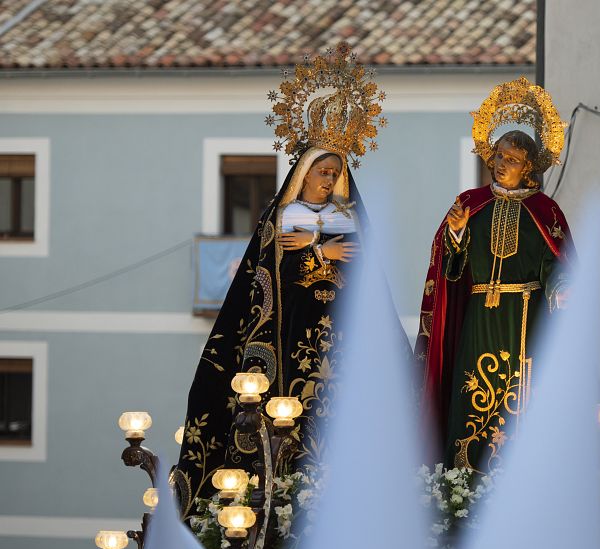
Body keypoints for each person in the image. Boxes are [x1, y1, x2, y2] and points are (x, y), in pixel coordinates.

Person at [172, 45, 388, 518]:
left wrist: (324, 251)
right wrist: (323, 251)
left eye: (335, 172)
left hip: (338, 332)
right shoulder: (286, 214)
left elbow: (361, 268)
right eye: (321, 171)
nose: (328, 179)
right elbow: (278, 268)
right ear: (303, 172)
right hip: (288, 335)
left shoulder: (346, 215)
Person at [415, 77, 574, 473]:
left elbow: (559, 264)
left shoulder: (546, 211)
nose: (502, 164)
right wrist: (454, 233)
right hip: (478, 320)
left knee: (520, 403)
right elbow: (450, 268)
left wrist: (563, 289)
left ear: (530, 168)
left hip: (526, 319)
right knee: (471, 394)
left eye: (513, 160)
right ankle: (461, 483)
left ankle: (518, 482)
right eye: (499, 156)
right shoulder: (472, 204)